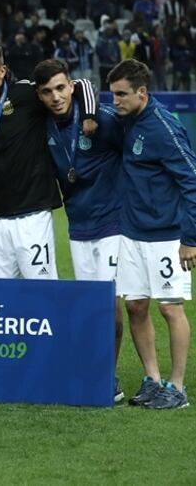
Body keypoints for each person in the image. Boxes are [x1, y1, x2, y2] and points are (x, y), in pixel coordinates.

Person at [34, 59, 126, 402]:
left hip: (113, 222)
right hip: (78, 226)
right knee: (88, 305)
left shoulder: (100, 119)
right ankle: (91, 371)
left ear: (71, 86)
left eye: (60, 88)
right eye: (47, 92)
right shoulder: (43, 124)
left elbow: (130, 148)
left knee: (109, 304)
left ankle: (107, 378)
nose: (55, 96)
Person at [0, 40, 97, 280]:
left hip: (33, 216)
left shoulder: (26, 93)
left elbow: (81, 84)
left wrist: (89, 116)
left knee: (42, 291)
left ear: (2, 71)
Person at [108, 59, 195, 410]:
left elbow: (192, 181)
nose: (115, 101)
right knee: (135, 305)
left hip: (166, 236)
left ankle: (177, 387)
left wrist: (190, 239)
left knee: (170, 309)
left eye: (121, 94)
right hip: (131, 233)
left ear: (142, 92)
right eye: (112, 94)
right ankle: (153, 380)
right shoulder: (129, 120)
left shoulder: (163, 128)